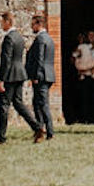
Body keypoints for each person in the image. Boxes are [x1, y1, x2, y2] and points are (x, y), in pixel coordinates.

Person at [0, 11, 41, 143]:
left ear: (8, 22)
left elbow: (6, 60)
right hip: (20, 73)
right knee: (18, 103)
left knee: (4, 105)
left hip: (10, 75)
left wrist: (1, 79)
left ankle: (0, 137)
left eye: (2, 22)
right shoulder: (20, 37)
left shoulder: (9, 38)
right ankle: (37, 127)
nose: (1, 25)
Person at [25, 13, 55, 142]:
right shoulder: (49, 38)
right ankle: (40, 129)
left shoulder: (40, 39)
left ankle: (48, 131)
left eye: (33, 24)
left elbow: (40, 59)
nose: (32, 27)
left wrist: (36, 75)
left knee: (42, 104)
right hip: (48, 74)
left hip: (41, 75)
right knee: (38, 103)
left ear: (39, 24)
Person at [72, 29, 94, 123]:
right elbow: (74, 58)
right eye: (89, 35)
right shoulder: (81, 47)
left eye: (93, 36)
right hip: (83, 76)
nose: (91, 38)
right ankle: (84, 118)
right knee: (83, 98)